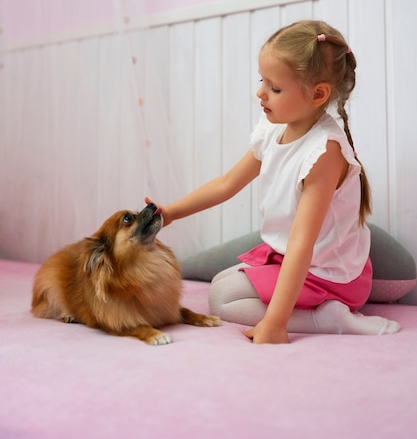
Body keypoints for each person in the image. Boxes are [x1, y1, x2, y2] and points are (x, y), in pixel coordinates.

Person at [146, 20, 400, 344]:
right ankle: (320, 314)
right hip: (295, 257)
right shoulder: (274, 129)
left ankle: (327, 319)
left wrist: (275, 323)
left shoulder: (324, 152)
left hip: (327, 273)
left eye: (274, 88)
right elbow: (227, 184)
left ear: (318, 94)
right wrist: (170, 213)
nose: (260, 93)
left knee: (222, 299)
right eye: (261, 80)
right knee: (223, 281)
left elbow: (302, 244)